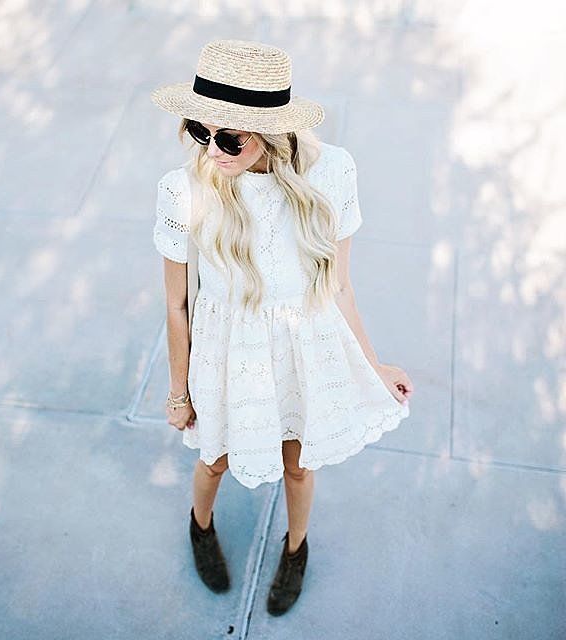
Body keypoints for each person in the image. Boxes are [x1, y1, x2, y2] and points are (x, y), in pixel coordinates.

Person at [150, 38, 414, 616]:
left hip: (303, 344)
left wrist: (372, 365)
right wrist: (178, 392)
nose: (210, 150)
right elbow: (178, 305)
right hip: (227, 349)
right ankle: (200, 527)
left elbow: (340, 285)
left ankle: (296, 549)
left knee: (300, 462)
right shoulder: (184, 189)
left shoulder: (332, 173)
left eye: (228, 137)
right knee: (214, 457)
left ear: (269, 132)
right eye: (200, 130)